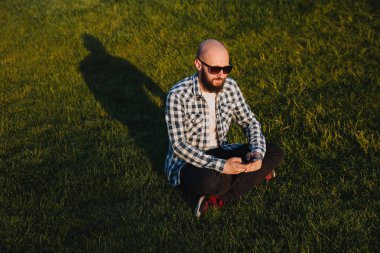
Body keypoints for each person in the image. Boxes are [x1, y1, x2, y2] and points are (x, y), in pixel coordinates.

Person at [164, 39, 284, 217]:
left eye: (226, 69)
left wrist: (257, 153)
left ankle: (216, 199)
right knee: (212, 181)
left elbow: (249, 122)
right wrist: (222, 167)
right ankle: (249, 178)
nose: (221, 75)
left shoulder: (230, 87)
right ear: (198, 64)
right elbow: (179, 146)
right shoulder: (177, 95)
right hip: (189, 161)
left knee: (273, 151)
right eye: (214, 69)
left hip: (222, 150)